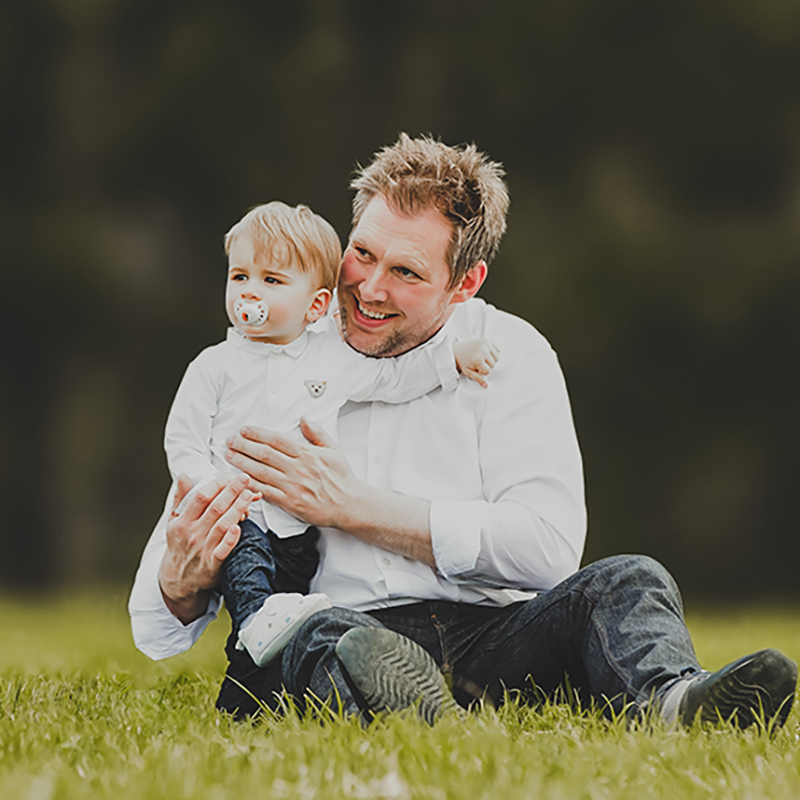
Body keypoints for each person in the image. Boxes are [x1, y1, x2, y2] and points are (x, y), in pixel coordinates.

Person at [130, 134, 797, 729]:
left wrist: (355, 508)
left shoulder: (511, 352)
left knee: (628, 580)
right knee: (315, 635)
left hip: (496, 635)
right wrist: (180, 585)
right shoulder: (273, 354)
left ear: (465, 283)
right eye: (362, 254)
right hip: (343, 625)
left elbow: (547, 550)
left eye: (407, 272)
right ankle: (413, 711)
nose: (368, 288)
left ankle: (674, 702)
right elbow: (155, 626)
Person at [158, 200, 499, 669]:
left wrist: (452, 360)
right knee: (249, 575)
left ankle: (256, 679)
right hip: (239, 513)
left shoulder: (331, 358)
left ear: (316, 303)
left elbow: (392, 379)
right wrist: (210, 490)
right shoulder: (214, 365)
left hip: (299, 528)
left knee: (292, 601)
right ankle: (257, 621)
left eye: (271, 280)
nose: (248, 292)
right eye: (240, 276)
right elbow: (183, 439)